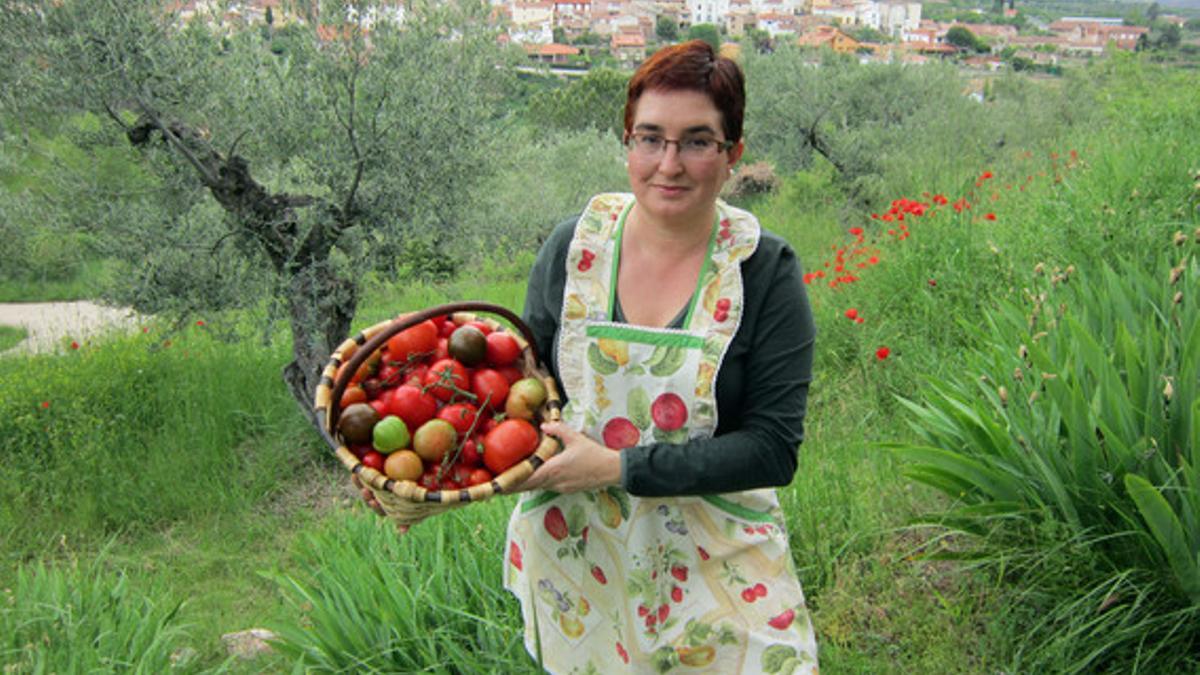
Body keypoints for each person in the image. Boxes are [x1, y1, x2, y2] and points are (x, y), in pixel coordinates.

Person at [505, 40, 819, 674]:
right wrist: (438, 473)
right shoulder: (576, 248)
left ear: (733, 155)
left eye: (697, 141)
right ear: (627, 143)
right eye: (650, 138)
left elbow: (773, 449)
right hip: (583, 551)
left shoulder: (762, 271)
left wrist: (618, 467)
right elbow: (524, 389)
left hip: (720, 559)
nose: (668, 164)